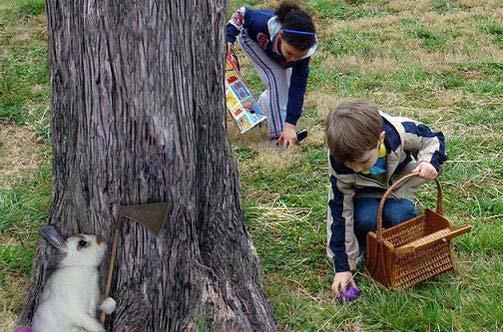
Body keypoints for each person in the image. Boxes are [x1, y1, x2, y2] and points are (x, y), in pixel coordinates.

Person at [325, 101, 447, 294]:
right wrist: (343, 267)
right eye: (351, 164)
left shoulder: (397, 132)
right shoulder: (340, 163)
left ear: (380, 139)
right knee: (366, 219)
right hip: (364, 194)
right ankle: (369, 246)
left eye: (364, 161)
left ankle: (404, 248)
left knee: (401, 216)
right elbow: (340, 214)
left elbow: (433, 138)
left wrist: (428, 162)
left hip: (396, 186)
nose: (357, 168)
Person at [226, 2, 317, 147]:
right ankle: (278, 135)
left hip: (274, 50)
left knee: (286, 86)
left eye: (298, 57)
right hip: (251, 39)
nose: (292, 60)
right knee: (276, 77)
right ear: (281, 35)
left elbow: (297, 89)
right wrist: (228, 39)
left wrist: (291, 125)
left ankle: (263, 113)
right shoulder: (261, 22)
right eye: (290, 53)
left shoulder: (302, 55)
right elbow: (242, 13)